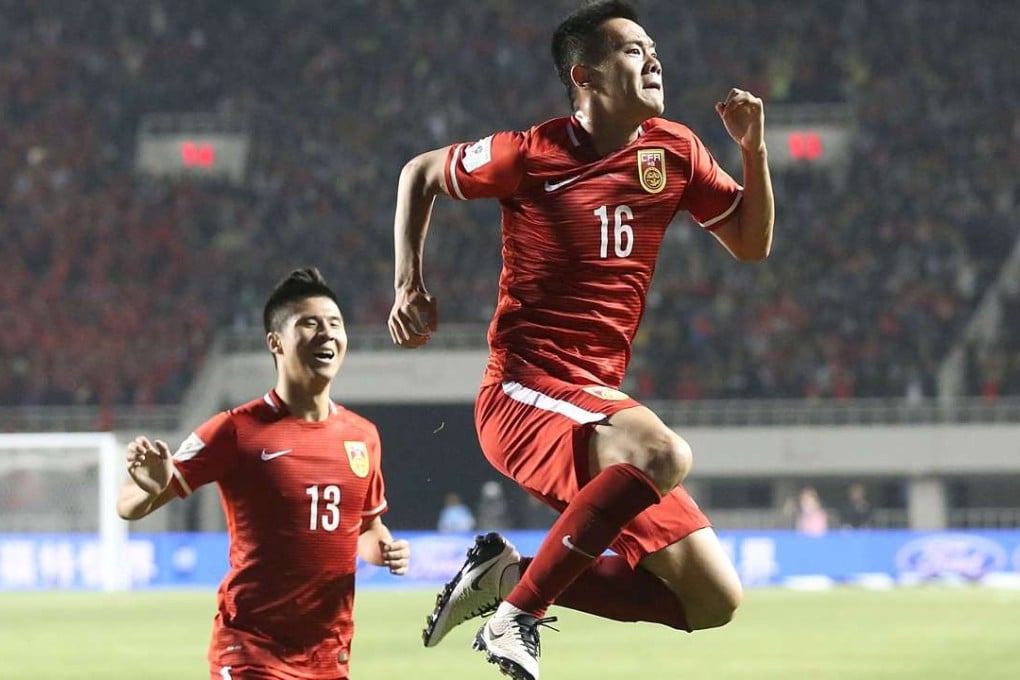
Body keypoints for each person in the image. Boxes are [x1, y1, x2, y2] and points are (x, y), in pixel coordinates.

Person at [388, 1, 774, 678]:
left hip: (594, 401)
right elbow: (419, 172)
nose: (653, 57)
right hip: (522, 391)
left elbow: (750, 242)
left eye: (652, 46)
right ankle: (518, 618)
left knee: (713, 599)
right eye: (631, 50)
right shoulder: (529, 153)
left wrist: (753, 149)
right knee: (662, 450)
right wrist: (406, 286)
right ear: (586, 76)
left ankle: (511, 578)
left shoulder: (673, 150)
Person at [118, 267, 410, 680]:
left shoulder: (364, 436)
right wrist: (149, 489)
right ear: (275, 342)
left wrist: (385, 548)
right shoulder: (235, 430)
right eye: (310, 323)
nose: (327, 333)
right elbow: (128, 505)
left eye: (335, 323)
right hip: (251, 652)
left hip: (330, 655)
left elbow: (367, 528)